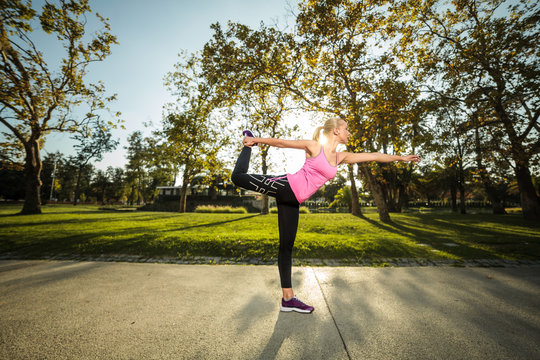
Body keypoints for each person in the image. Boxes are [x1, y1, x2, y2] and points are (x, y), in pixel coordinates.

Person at [231, 117, 420, 314]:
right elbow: (281, 143)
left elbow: (372, 155)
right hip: (286, 186)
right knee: (237, 177)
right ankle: (248, 141)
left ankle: (288, 299)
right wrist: (256, 141)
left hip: (293, 200)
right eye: (346, 128)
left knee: (286, 247)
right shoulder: (314, 147)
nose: (349, 132)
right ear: (336, 131)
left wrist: (401, 158)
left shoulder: (341, 157)